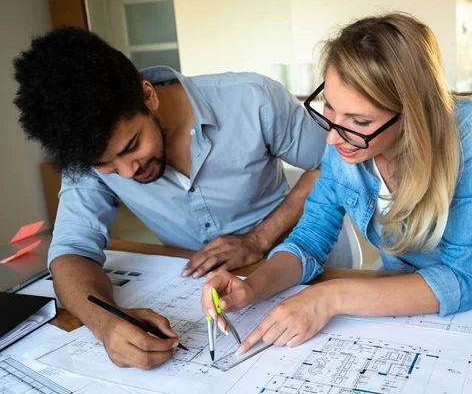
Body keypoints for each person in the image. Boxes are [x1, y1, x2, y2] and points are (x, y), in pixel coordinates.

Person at [201, 13, 472, 354]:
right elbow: (309, 241)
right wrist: (253, 287)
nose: (332, 138)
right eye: (329, 107)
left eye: (358, 120)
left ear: (412, 113)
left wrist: (329, 297)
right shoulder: (343, 143)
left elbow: (463, 279)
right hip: (411, 305)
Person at [13, 27, 326, 369]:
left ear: (149, 96)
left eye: (131, 146)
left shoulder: (252, 99)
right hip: (215, 294)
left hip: (311, 265)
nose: (127, 172)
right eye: (104, 164)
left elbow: (333, 165)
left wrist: (258, 238)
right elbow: (71, 251)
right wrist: (105, 324)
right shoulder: (86, 153)